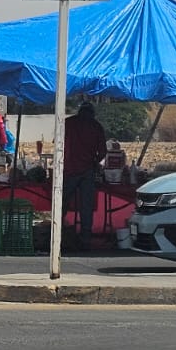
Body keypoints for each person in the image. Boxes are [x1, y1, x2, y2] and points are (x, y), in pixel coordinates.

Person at [62, 102, 109, 246]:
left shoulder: (68, 123)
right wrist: (95, 162)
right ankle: (85, 237)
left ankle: (58, 233)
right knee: (86, 206)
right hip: (87, 170)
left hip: (69, 168)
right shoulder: (96, 126)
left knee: (61, 203)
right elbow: (102, 151)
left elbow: (59, 142)